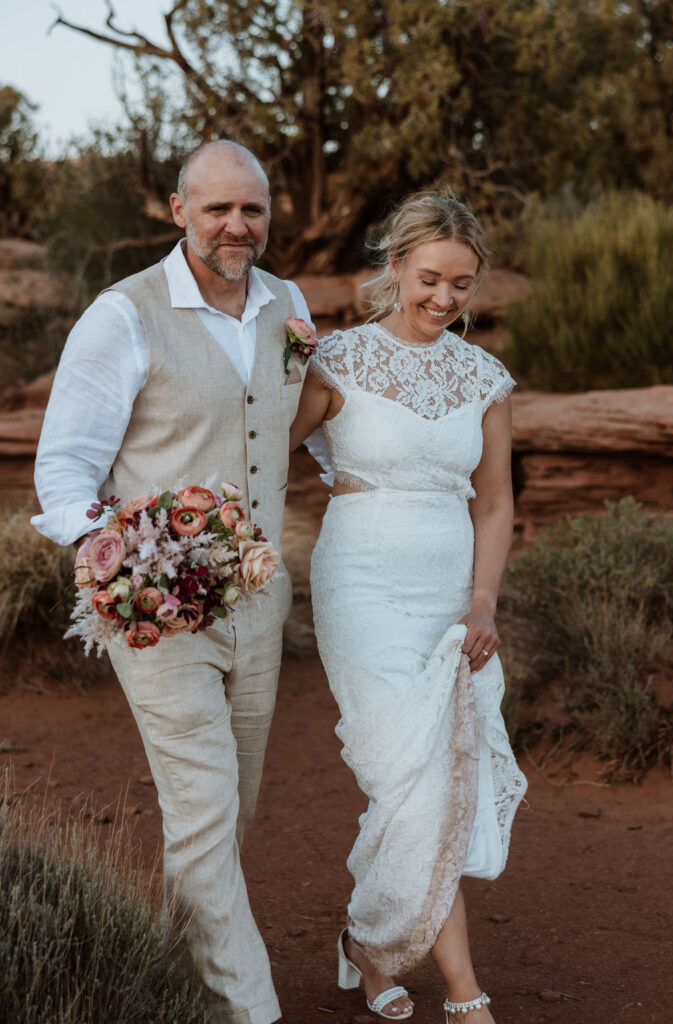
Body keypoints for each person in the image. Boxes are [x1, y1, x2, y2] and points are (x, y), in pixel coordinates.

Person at [32, 140, 313, 1024]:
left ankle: (169, 983)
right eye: (219, 208)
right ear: (177, 209)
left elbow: (298, 427)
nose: (238, 225)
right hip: (160, 615)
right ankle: (250, 1011)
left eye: (253, 210)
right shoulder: (123, 316)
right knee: (202, 808)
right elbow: (65, 470)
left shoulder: (288, 305)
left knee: (230, 813)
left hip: (261, 603)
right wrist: (124, 563)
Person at [289, 190, 527, 1024]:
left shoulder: (484, 377)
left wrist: (483, 601)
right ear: (394, 267)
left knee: (435, 777)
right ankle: (466, 995)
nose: (444, 299)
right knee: (406, 778)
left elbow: (493, 503)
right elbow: (256, 445)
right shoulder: (337, 359)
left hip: (451, 596)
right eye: (430, 278)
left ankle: (368, 944)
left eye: (462, 284)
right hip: (360, 583)